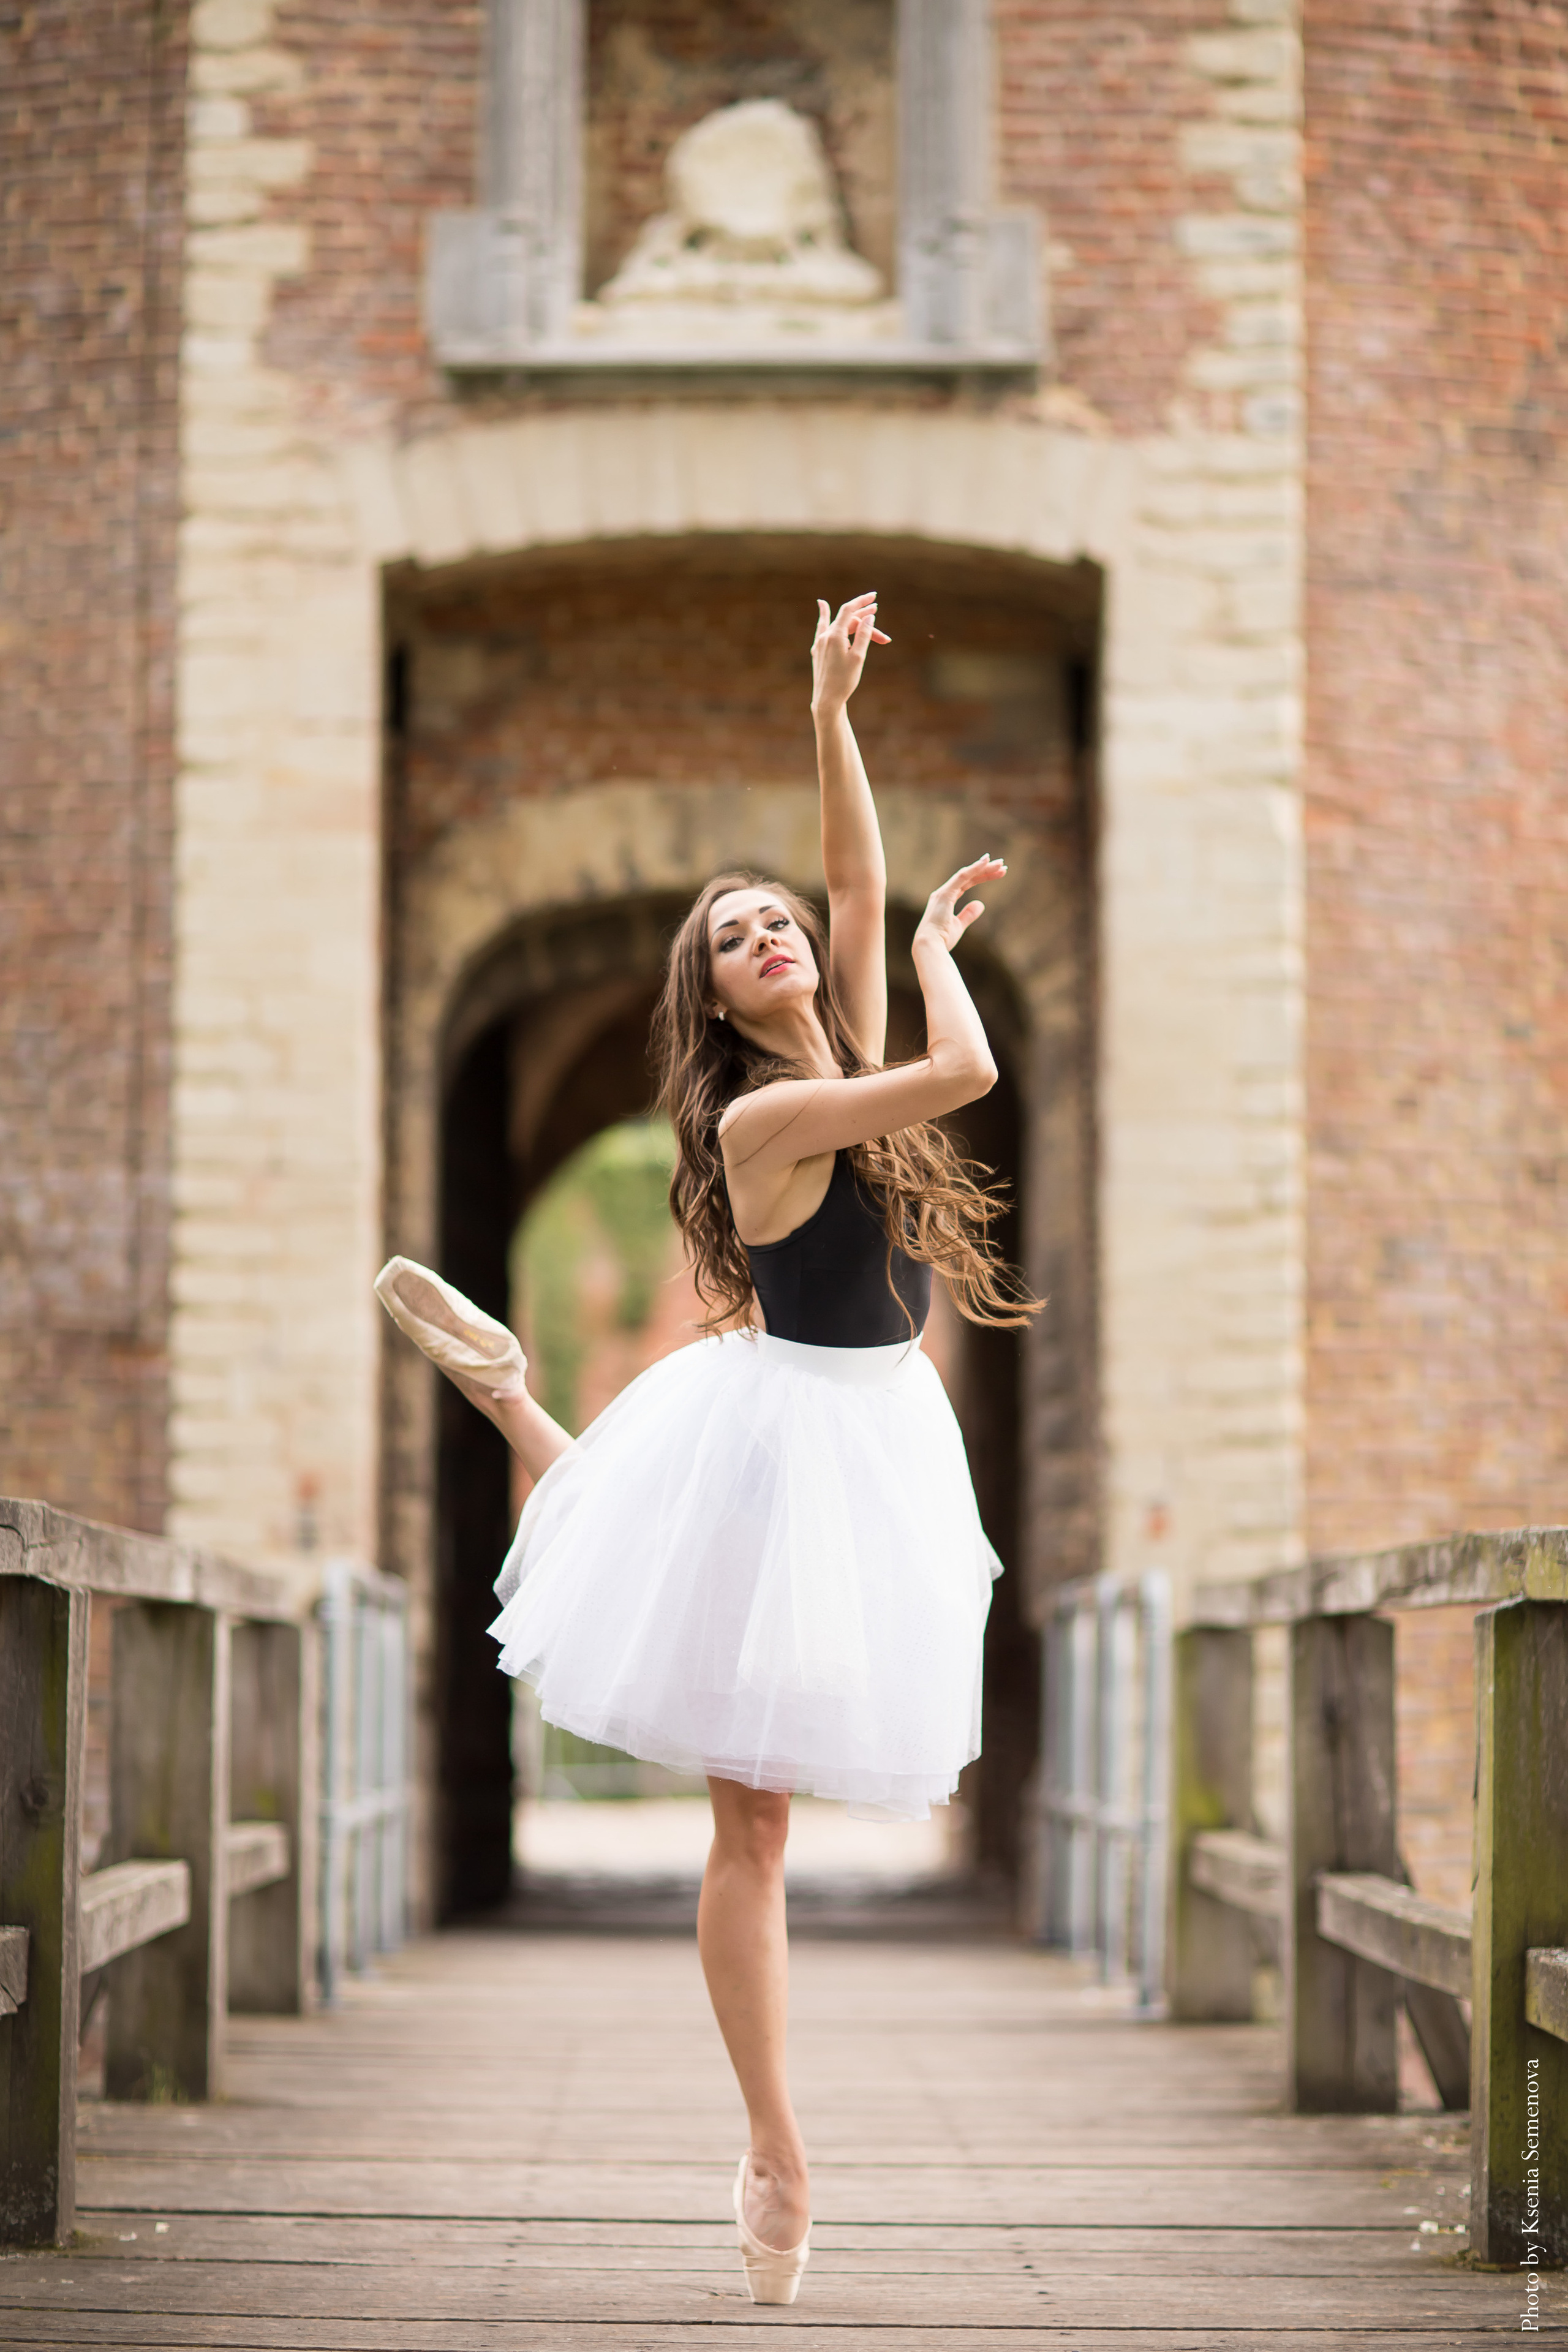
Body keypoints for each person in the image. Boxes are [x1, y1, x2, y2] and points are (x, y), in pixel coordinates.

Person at [375, 592, 1036, 2305]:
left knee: (767, 1807)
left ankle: (509, 1390)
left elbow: (862, 887)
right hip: (783, 1438)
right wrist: (943, 962)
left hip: (880, 1439)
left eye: (774, 920)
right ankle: (774, 2142)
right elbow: (959, 1065)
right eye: (736, 936)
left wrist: (829, 711)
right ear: (718, 1001)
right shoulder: (766, 1114)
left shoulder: (837, 1046)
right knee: (750, 1832)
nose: (772, 935)